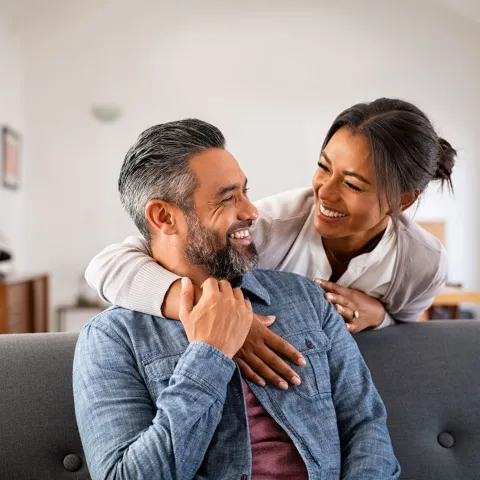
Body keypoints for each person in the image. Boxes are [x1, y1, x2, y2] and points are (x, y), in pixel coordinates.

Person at [73, 119, 400, 479]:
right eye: (228, 198)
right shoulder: (112, 338)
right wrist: (209, 355)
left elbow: (366, 426)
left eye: (245, 191)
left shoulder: (306, 298)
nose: (251, 211)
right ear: (164, 216)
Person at [85, 98, 456, 389]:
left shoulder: (423, 264)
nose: (324, 193)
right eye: (323, 167)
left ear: (402, 201)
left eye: (353, 184)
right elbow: (107, 266)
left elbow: (406, 332)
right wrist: (218, 316)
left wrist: (380, 316)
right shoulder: (271, 225)